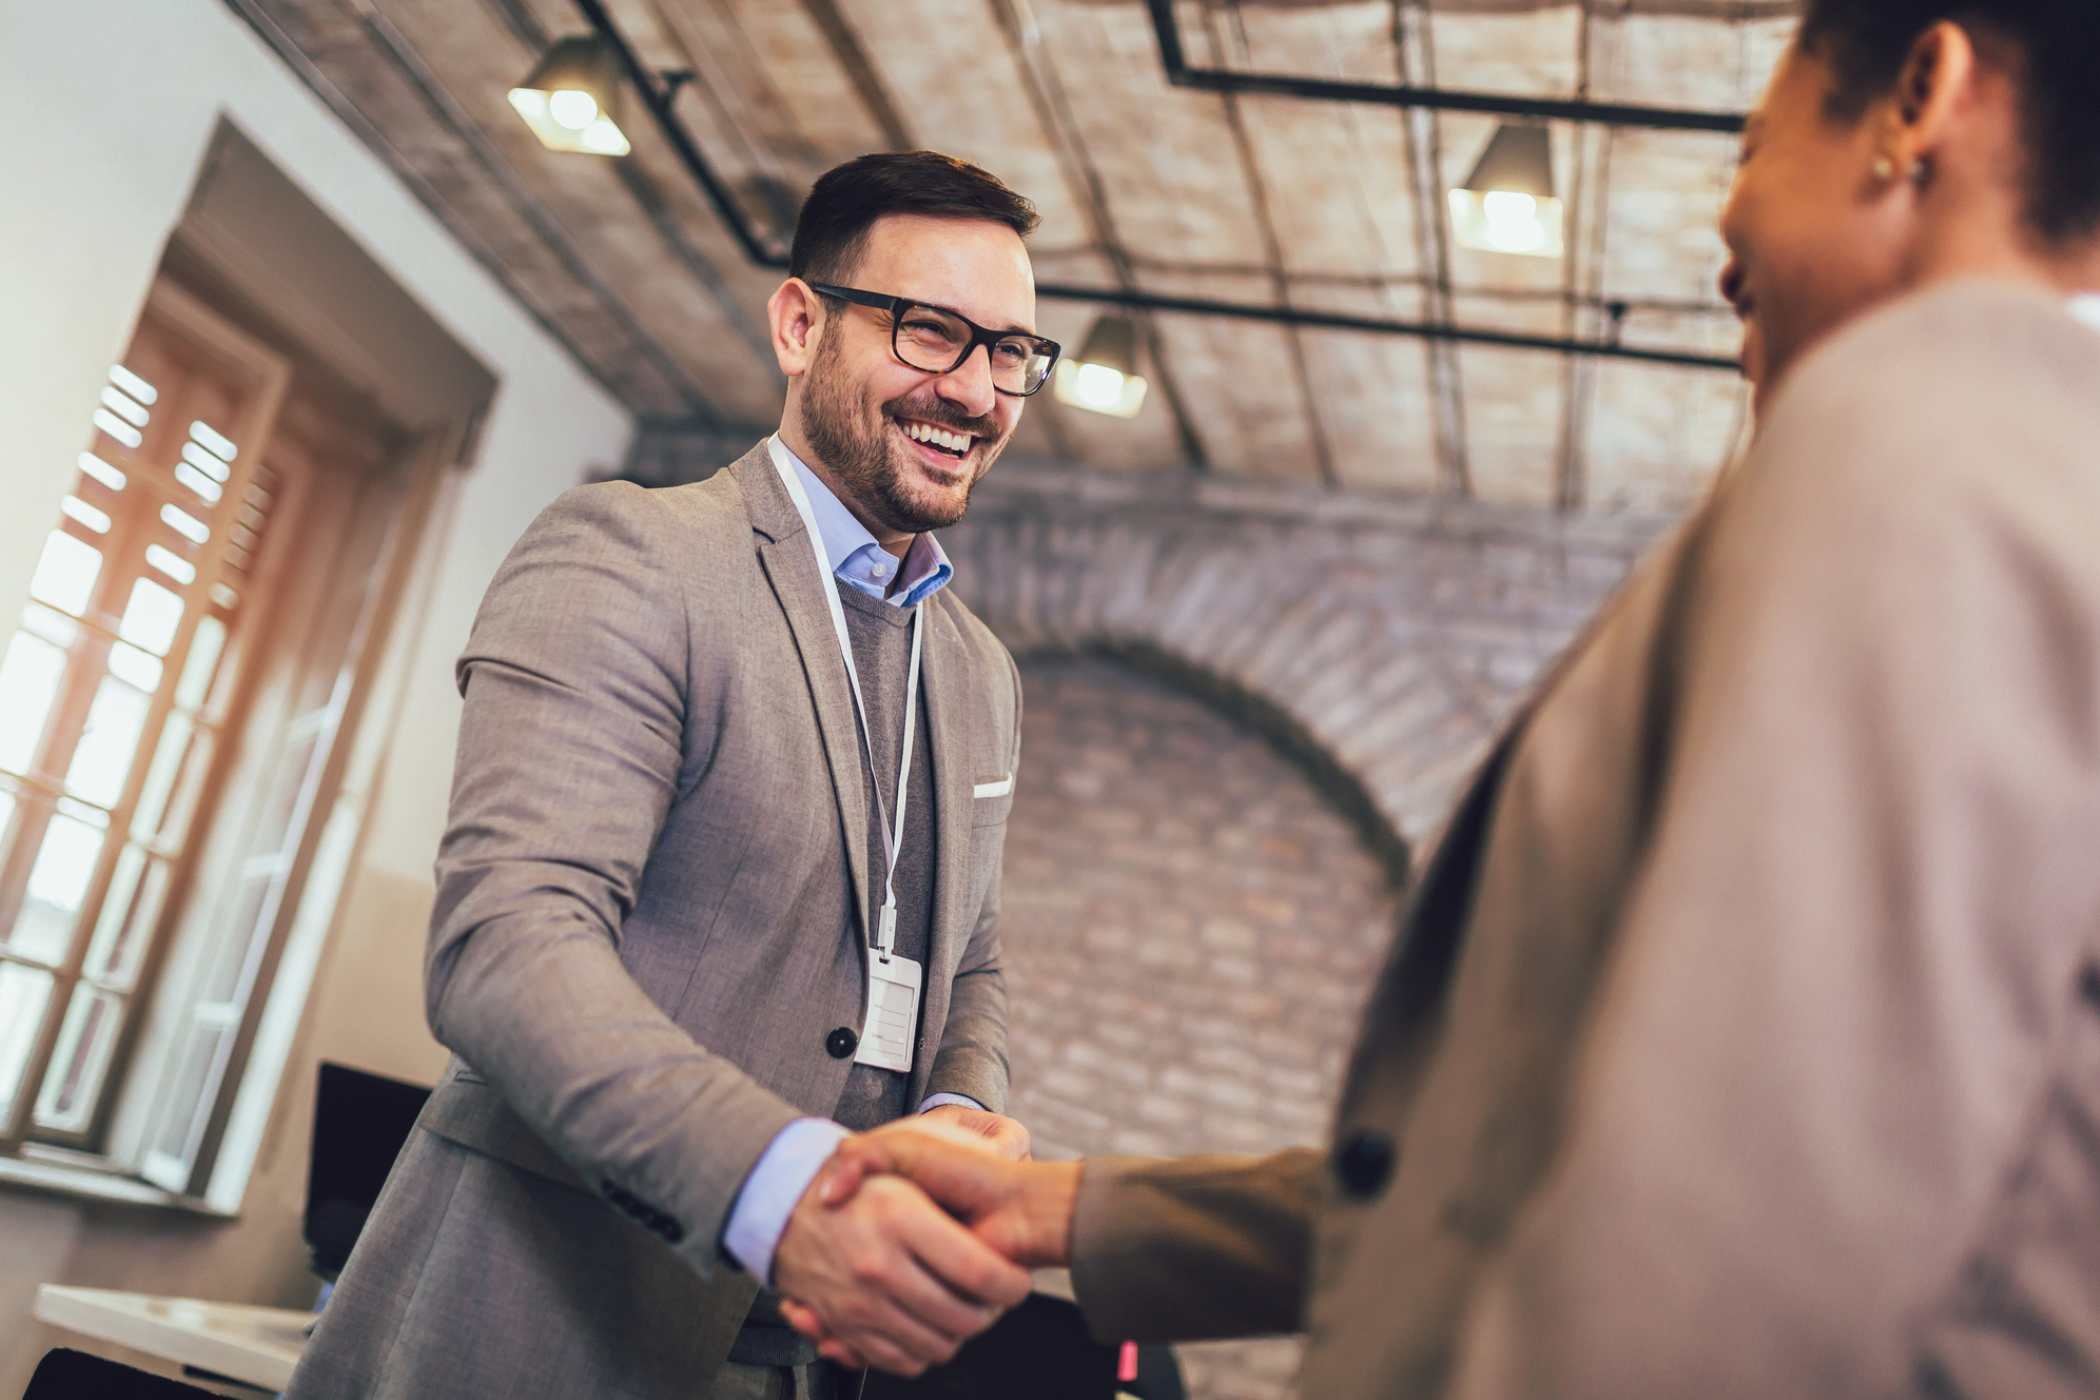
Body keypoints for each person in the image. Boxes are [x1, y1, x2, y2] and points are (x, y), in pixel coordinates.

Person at [788, 4, 2100, 1393]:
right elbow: (1526, 1155)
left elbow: (1710, 1240)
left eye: (1757, 149)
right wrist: (1072, 1213)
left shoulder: (1920, 446)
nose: (1730, 248)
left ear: (1921, 99)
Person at [285, 151, 1068, 1400]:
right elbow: (507, 945)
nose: (974, 390)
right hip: (531, 1324)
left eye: (1012, 351)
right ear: (800, 322)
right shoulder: (633, 556)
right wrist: (783, 1188)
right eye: (931, 333)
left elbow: (968, 953)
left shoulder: (983, 676)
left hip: (801, 1364)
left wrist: (964, 1108)